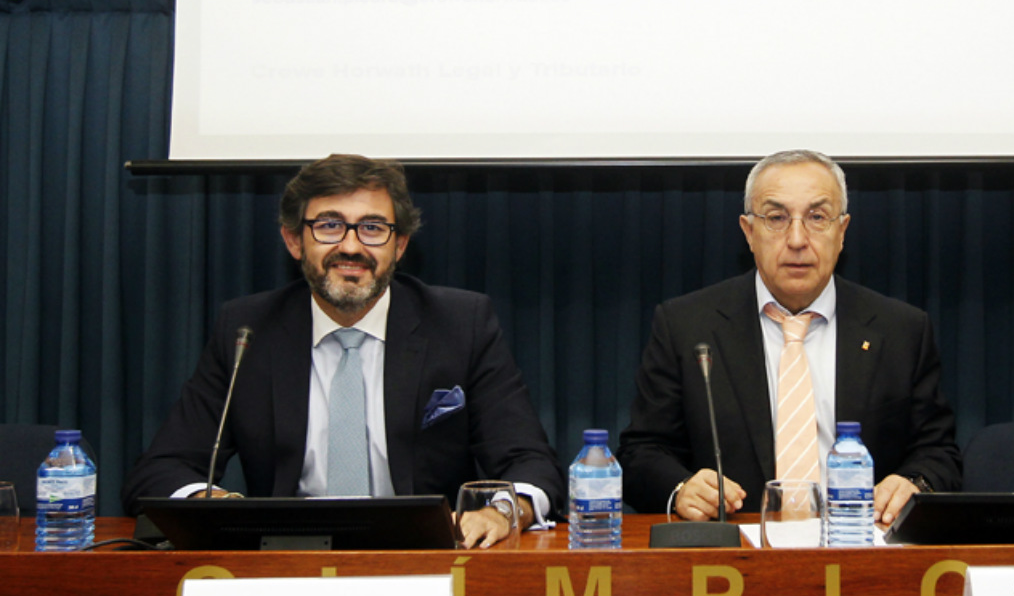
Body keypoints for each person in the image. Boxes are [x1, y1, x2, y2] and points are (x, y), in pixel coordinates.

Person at [121, 154, 565, 548]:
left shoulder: (459, 324)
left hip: (425, 558)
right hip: (286, 560)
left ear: (400, 246)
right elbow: (164, 467)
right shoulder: (249, 331)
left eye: (372, 228)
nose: (351, 246)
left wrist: (505, 511)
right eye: (330, 225)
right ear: (295, 241)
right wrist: (210, 503)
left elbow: (530, 463)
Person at [617, 149, 961, 528]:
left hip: (861, 548)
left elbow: (938, 453)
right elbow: (642, 452)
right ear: (749, 232)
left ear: (842, 231)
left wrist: (914, 483)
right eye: (777, 218)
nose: (797, 239)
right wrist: (681, 488)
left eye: (817, 217)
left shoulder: (901, 330)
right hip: (733, 555)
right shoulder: (687, 326)